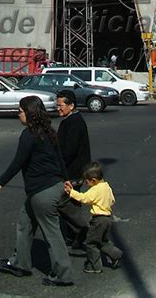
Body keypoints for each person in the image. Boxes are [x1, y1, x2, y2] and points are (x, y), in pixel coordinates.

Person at [0, 95, 74, 287]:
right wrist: (66, 179)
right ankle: (20, 263)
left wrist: (0, 182)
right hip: (51, 187)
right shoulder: (48, 131)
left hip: (42, 191)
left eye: (20, 111)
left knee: (52, 233)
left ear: (29, 113)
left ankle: (63, 274)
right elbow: (59, 157)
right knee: (25, 222)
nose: (18, 115)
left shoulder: (29, 135)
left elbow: (18, 162)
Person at [64, 163, 123, 274]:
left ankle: (94, 266)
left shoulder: (95, 189)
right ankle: (116, 255)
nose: (86, 184)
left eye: (87, 181)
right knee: (102, 241)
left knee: (90, 243)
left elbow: (84, 198)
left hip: (98, 220)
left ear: (94, 180)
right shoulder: (106, 186)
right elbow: (112, 200)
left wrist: (71, 192)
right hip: (107, 218)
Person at [56, 90, 92, 247]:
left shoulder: (74, 122)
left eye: (60, 105)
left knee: (64, 204)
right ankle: (75, 236)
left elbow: (69, 151)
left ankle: (84, 232)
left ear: (71, 106)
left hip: (73, 172)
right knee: (73, 204)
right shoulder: (71, 120)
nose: (58, 108)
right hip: (73, 171)